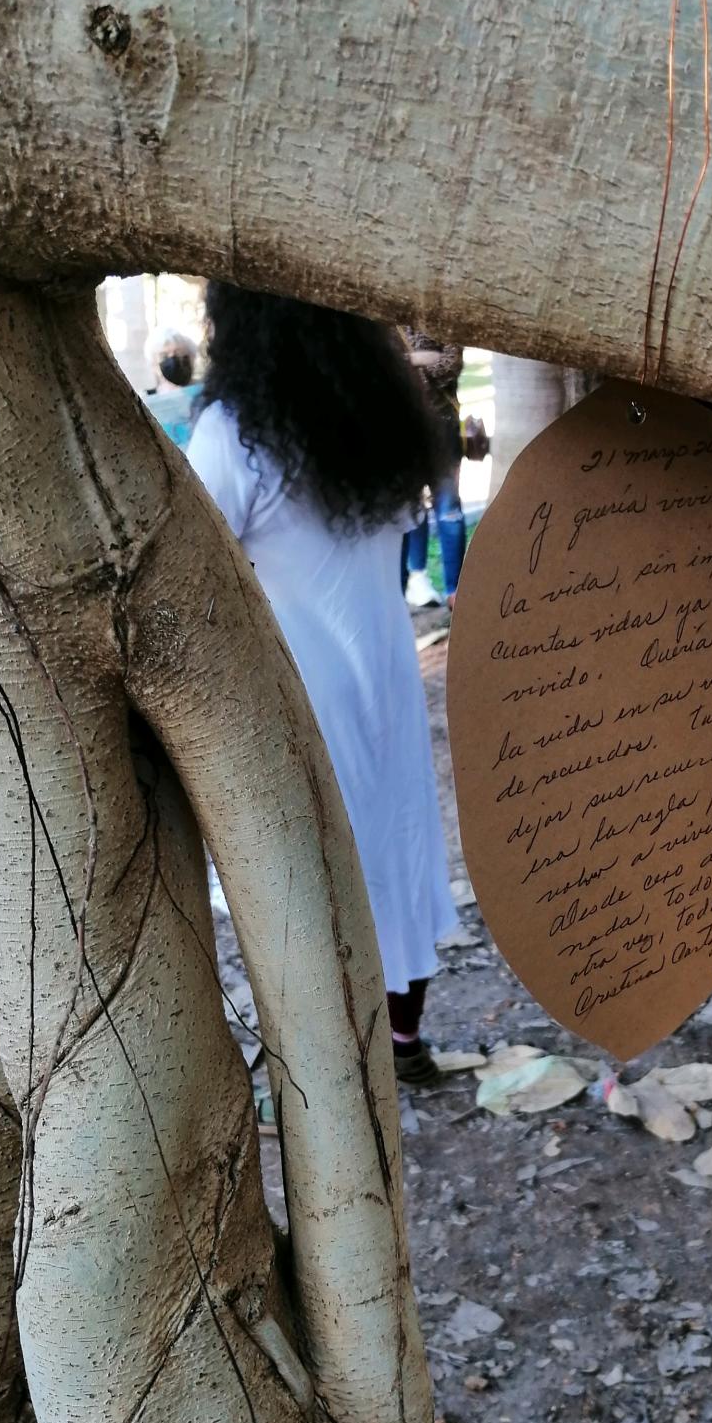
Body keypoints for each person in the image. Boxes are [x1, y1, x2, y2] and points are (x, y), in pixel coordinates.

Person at [188, 284, 459, 1085]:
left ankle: (331, 1066)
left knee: (316, 871)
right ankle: (402, 1041)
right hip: (387, 673)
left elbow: (193, 564)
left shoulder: (235, 431)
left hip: (302, 686)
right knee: (396, 848)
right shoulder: (381, 409)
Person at [400, 327, 467, 608]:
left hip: (443, 427)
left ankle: (457, 590)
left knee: (449, 510)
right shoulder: (388, 318)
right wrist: (423, 359)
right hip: (403, 425)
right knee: (411, 508)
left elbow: (451, 364)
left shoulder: (443, 319)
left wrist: (409, 362)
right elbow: (385, 366)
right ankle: (416, 580)